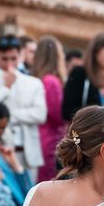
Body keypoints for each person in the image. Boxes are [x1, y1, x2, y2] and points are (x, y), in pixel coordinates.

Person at [0, 34, 47, 173]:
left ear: (20, 56)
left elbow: (40, 114)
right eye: (4, 59)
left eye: (13, 59)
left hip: (28, 153)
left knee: (28, 193)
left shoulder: (34, 83)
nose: (9, 64)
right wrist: (5, 89)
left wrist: (8, 116)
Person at [32, 35, 68, 182]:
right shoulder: (51, 81)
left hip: (41, 136)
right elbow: (57, 115)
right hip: (50, 139)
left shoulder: (39, 79)